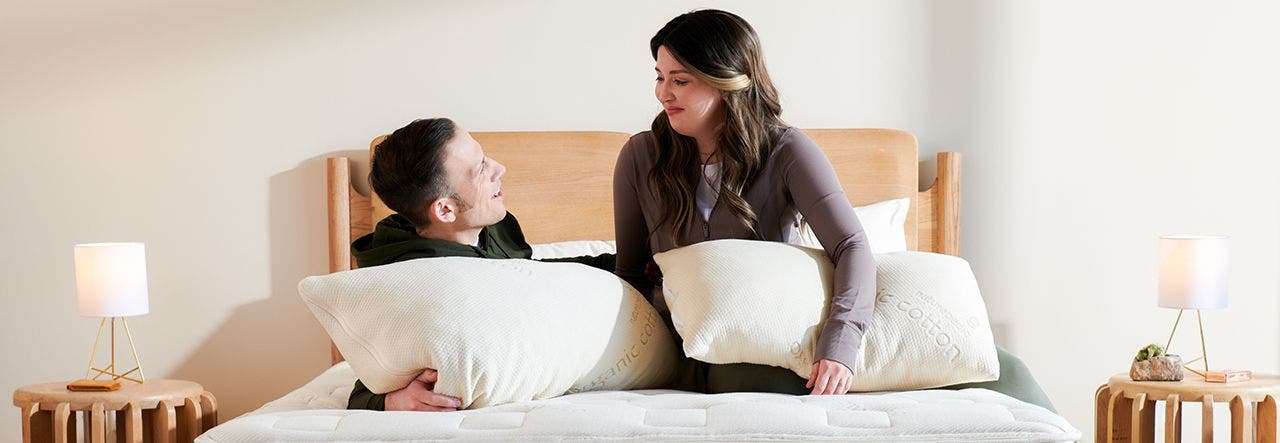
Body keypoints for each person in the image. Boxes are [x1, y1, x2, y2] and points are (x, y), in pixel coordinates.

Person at [613, 9, 1056, 411]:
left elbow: (851, 245)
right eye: (660, 76)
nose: (662, 93)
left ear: (728, 79)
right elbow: (630, 274)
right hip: (710, 348)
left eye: (680, 80)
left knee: (1006, 370)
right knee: (754, 383)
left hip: (784, 330)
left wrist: (839, 346)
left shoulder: (786, 151)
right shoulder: (641, 156)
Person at [346, 117, 614, 411]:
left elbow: (531, 274)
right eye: (481, 169)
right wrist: (393, 401)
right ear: (445, 209)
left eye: (485, 157)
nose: (500, 168)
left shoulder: (491, 228)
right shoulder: (409, 280)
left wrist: (626, 262)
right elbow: (368, 378)